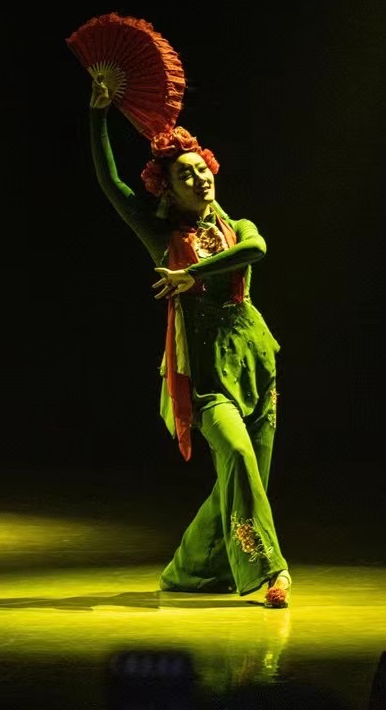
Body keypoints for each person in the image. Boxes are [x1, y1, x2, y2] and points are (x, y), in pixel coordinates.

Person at [87, 76, 291, 607]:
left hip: (254, 358)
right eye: (185, 175)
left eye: (201, 169)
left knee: (245, 477)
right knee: (237, 457)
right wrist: (98, 117)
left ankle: (189, 571)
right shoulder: (161, 235)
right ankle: (272, 570)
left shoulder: (239, 226)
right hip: (202, 369)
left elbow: (257, 250)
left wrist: (191, 275)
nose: (199, 179)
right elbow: (111, 184)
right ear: (168, 188)